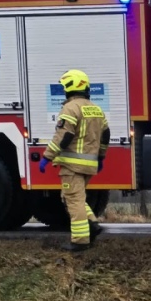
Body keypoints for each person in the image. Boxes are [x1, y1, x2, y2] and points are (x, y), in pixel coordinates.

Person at [39, 69, 109, 251]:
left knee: (73, 200)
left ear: (70, 87)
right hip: (89, 164)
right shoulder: (96, 109)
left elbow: (64, 136)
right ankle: (92, 225)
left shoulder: (70, 108)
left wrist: (47, 157)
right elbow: (106, 135)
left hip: (72, 165)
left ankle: (80, 241)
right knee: (74, 196)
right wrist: (101, 157)